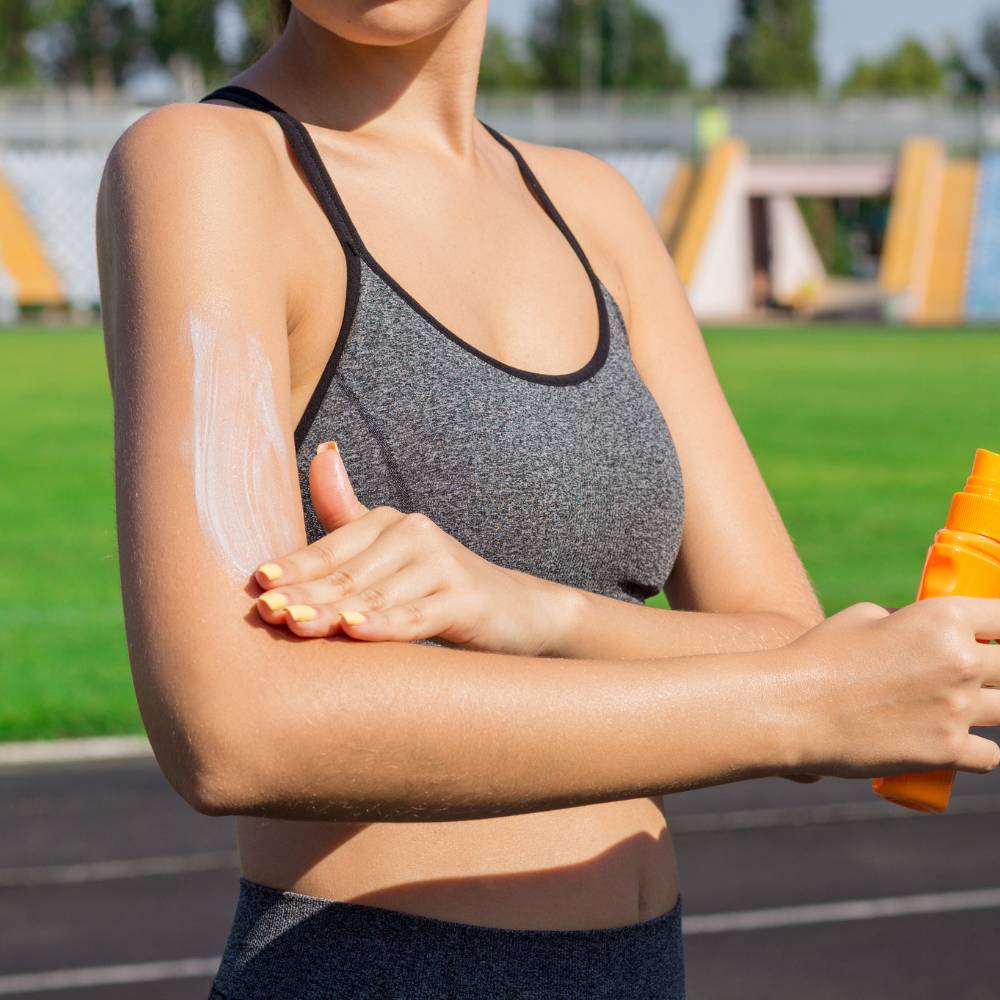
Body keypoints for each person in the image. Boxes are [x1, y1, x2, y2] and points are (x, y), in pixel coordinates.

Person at [95, 2, 1000, 997]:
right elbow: (232, 725)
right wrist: (805, 710)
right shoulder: (210, 164)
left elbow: (782, 631)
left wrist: (533, 611)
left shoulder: (593, 206)